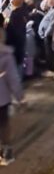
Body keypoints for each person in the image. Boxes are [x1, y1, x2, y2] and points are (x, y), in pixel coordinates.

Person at [0, 24, 24, 165]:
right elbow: (13, 79)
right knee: (4, 125)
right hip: (2, 97)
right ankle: (6, 153)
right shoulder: (6, 56)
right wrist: (20, 97)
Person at [5, 0, 27, 77]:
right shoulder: (23, 14)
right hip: (21, 41)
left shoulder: (14, 15)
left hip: (14, 42)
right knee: (19, 61)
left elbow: (10, 29)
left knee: (15, 62)